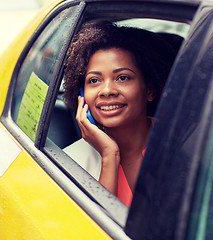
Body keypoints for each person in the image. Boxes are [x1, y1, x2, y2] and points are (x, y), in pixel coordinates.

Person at [63, 21, 176, 206]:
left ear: (149, 90)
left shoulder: (179, 142)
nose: (107, 90)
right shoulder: (69, 162)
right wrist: (109, 155)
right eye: (94, 80)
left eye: (122, 77)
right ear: (82, 95)